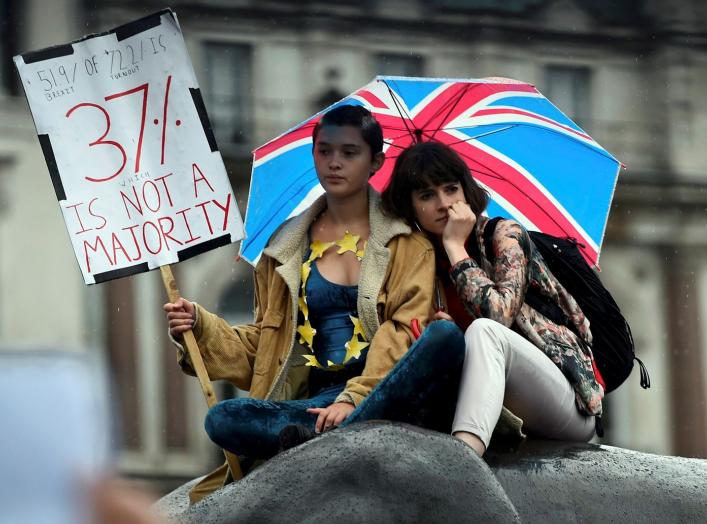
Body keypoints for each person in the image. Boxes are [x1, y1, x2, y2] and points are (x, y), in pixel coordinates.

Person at [164, 106, 463, 502]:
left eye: (349, 153)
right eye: (324, 151)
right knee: (223, 418)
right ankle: (323, 432)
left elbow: (400, 332)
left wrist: (354, 398)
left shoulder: (408, 243)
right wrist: (199, 326)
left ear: (375, 162)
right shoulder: (280, 252)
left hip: (383, 390)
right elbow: (264, 346)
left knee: (443, 337)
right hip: (311, 405)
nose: (334, 163)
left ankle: (344, 426)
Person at [380, 141, 604, 456]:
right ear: (410, 206)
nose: (444, 203)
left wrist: (456, 248)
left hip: (564, 400)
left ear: (466, 191)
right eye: (427, 195)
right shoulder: (420, 263)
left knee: (485, 332)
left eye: (451, 188)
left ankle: (463, 458)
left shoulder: (505, 236)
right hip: (495, 408)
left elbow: (498, 317)